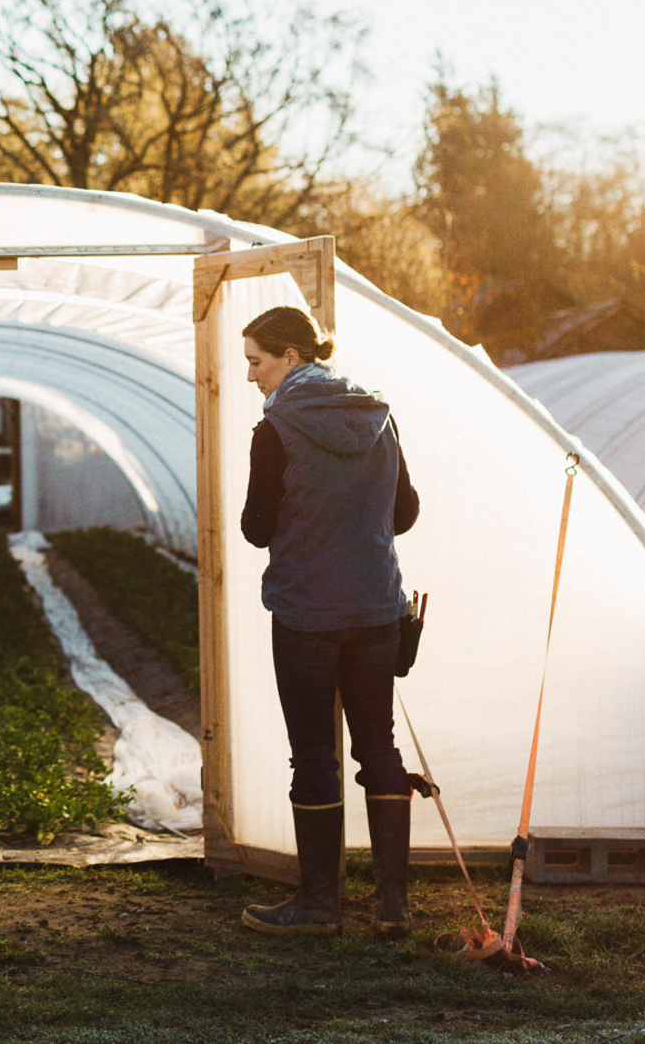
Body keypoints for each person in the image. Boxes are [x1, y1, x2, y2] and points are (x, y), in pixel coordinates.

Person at [236, 306, 419, 938]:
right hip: (376, 611)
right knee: (379, 747)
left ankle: (318, 906)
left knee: (315, 755)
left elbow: (257, 528)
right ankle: (393, 907)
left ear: (291, 358)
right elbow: (406, 513)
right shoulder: (378, 415)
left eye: (256, 362)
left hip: (308, 613)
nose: (251, 377)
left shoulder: (276, 427)